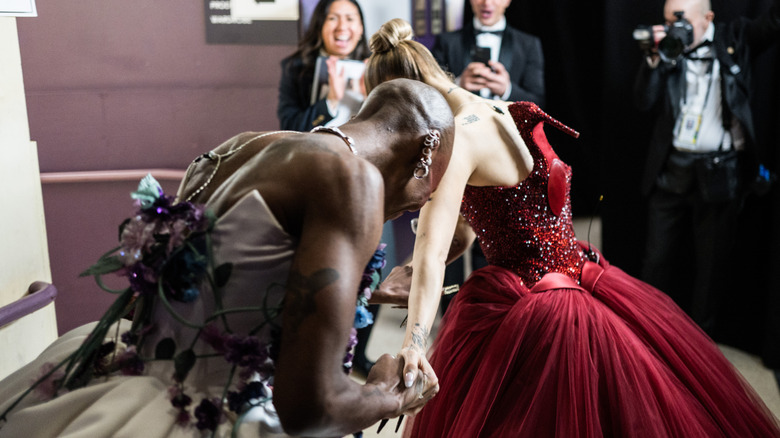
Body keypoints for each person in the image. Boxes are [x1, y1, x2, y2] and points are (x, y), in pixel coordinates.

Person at [364, 18, 780, 437]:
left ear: (404, 101)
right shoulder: (502, 108)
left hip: (535, 305)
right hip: (578, 274)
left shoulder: (459, 141)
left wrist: (413, 345)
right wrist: (416, 272)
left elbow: (434, 251)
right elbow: (470, 229)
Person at [0, 78, 453, 437]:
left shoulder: (241, 148)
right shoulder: (353, 182)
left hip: (121, 384)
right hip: (208, 412)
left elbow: (217, 289)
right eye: (430, 191)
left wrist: (362, 289)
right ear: (425, 154)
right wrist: (389, 392)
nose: (423, 203)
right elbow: (311, 408)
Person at [633, 0, 780, 336]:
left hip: (720, 171)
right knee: (655, 261)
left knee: (712, 267)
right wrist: (654, 59)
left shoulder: (736, 37)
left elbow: (772, 20)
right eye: (669, 22)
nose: (676, 29)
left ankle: (700, 346)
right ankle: (644, 337)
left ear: (708, 18)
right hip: (672, 169)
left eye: (682, 22)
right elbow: (643, 102)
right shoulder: (669, 48)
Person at [277, 0, 369, 132]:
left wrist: (371, 97)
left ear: (361, 28)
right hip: (315, 150)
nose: (342, 27)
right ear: (319, 26)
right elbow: (290, 128)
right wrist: (331, 100)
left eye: (350, 19)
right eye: (332, 18)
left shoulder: (378, 64)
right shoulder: (295, 67)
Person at [431, 0, 545, 106]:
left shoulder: (529, 44)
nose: (487, 3)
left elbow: (538, 102)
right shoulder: (446, 42)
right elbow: (431, 95)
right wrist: (458, 85)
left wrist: (507, 90)